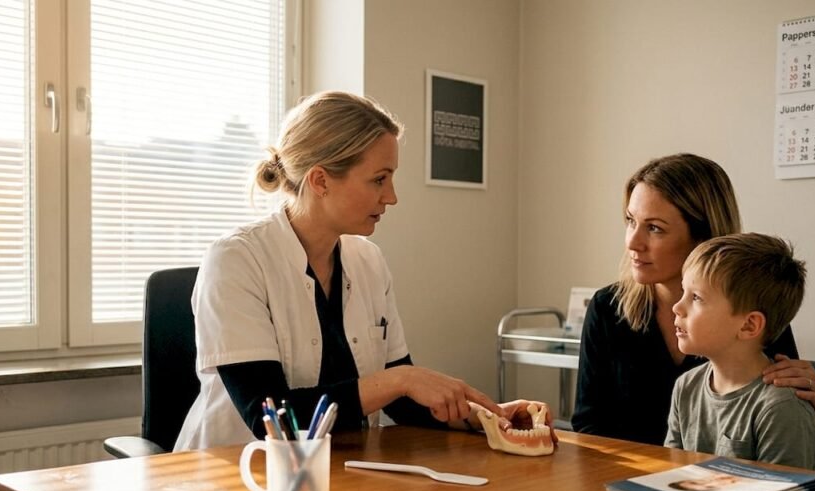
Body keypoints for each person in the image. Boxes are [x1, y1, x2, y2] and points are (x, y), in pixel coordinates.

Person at [175, 91, 548, 451]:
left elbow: (402, 402)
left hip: (342, 471)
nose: (392, 196)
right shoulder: (236, 260)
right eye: (379, 179)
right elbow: (271, 419)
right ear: (320, 181)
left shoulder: (368, 261)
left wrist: (484, 416)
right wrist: (401, 380)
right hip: (237, 477)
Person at [571, 154, 815, 444]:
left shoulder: (749, 310)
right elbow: (588, 426)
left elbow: (780, 423)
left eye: (654, 228)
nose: (632, 242)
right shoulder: (606, 308)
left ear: (704, 237)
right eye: (631, 221)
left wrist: (814, 407)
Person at [665, 232, 815, 491]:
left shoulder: (781, 409)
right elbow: (668, 482)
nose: (677, 307)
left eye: (696, 298)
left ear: (749, 325)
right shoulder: (685, 388)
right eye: (683, 292)